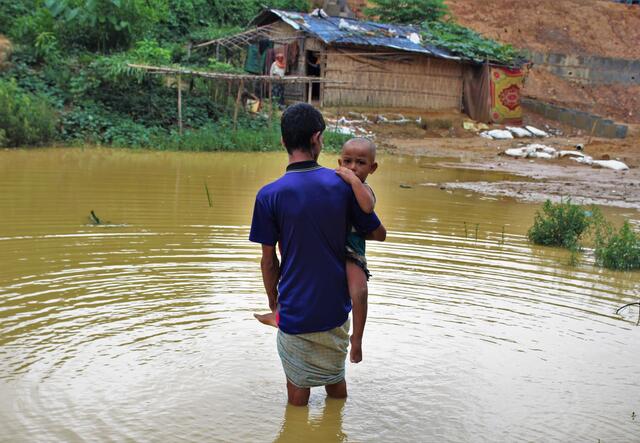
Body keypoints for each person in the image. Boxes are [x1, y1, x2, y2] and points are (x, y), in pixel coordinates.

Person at [249, 104, 386, 406]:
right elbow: (377, 232)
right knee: (336, 384)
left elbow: (269, 261)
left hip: (295, 310)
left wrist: (274, 302)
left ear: (283, 142)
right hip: (334, 310)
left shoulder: (269, 195)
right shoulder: (343, 184)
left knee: (297, 395)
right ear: (318, 138)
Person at [255, 137, 379, 366]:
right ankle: (278, 314)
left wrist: (353, 181)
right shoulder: (335, 183)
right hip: (329, 251)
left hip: (351, 254)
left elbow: (375, 224)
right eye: (348, 162)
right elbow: (378, 232)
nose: (353, 168)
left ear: (372, 168)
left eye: (360, 163)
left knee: (359, 289)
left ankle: (357, 339)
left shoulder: (355, 188)